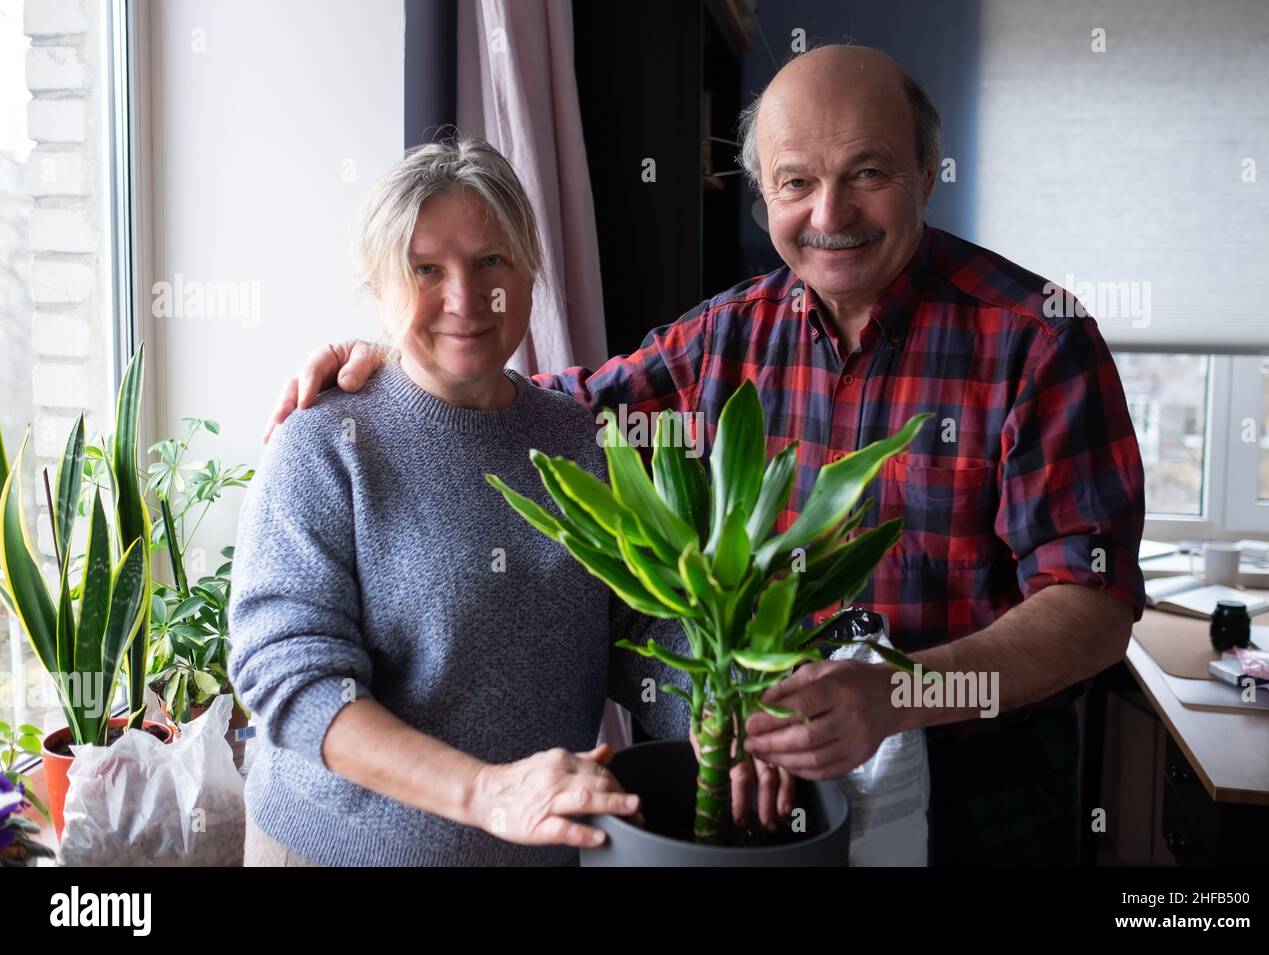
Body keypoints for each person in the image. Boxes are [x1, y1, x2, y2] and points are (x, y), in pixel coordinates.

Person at [264, 46, 1147, 865]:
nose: (830, 213)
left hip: (978, 813)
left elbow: (1094, 608)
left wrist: (899, 696)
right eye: (797, 181)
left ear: (925, 172)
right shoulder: (723, 336)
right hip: (768, 796)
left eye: (868, 173)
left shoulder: (1037, 340)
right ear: (764, 199)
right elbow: (522, 411)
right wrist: (381, 368)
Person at [230, 137, 680, 866]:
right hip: (338, 854)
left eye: (492, 261)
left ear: (531, 272)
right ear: (379, 288)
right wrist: (485, 792)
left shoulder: (589, 443)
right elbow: (292, 678)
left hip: (545, 850)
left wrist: (729, 729)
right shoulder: (323, 442)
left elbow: (648, 641)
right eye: (425, 270)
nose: (466, 299)